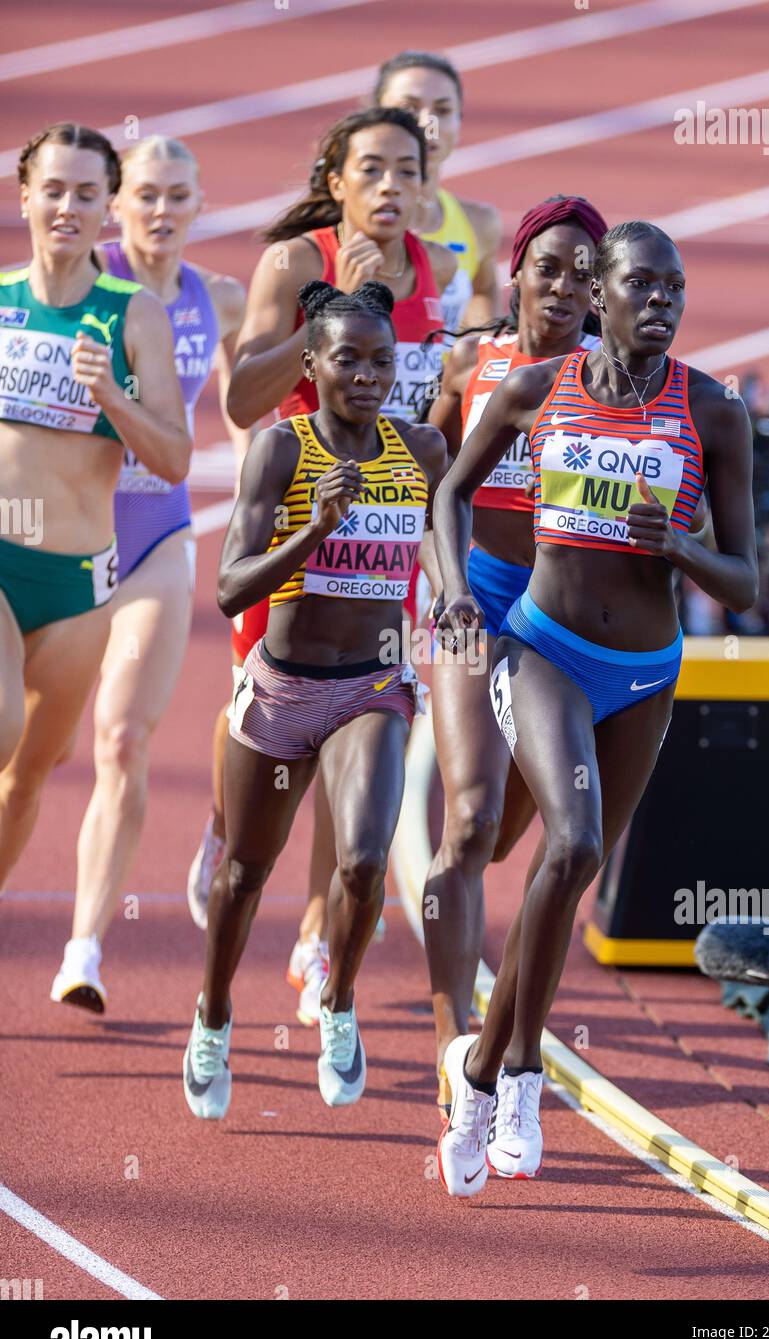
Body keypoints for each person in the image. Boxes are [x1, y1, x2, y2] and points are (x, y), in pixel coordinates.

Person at [433, 221, 758, 1196]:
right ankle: (524, 1070)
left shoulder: (711, 410)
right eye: (641, 285)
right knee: (566, 844)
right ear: (601, 296)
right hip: (539, 647)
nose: (659, 302)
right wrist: (453, 594)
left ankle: (481, 1065)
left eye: (675, 288)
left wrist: (682, 550)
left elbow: (743, 581)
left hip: (645, 671)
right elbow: (448, 489)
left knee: (572, 874)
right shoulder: (540, 389)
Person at [186, 107, 453, 1027]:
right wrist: (327, 310)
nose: (389, 187)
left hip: (380, 536)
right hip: (298, 532)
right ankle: (231, 833)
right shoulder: (296, 262)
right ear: (335, 181)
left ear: (426, 182)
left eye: (405, 171)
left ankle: (313, 928)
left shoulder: (443, 272)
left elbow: (439, 406)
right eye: (369, 170)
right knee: (276, 739)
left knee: (359, 739)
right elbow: (241, 397)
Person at [48, 135, 250, 1011]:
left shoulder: (224, 298)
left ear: (201, 203)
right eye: (145, 196)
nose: (161, 211)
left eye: (178, 195)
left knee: (122, 741)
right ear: (115, 206)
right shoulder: (78, 291)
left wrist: (257, 480)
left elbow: (246, 404)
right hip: (60, 538)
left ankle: (83, 949)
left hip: (156, 539)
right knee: (33, 748)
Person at [422, 195, 607, 1117]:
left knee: (510, 840)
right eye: (551, 266)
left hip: (561, 618)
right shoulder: (472, 361)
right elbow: (435, 486)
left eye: (587, 272)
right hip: (483, 596)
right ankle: (459, 1039)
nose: (567, 284)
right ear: (518, 271)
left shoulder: (619, 383)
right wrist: (449, 584)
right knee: (467, 824)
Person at [0, 124, 189, 943]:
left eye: (85, 193)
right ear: (25, 197)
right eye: (53, 189)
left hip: (78, 584)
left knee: (26, 776)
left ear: (107, 206)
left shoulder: (132, 313)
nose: (67, 207)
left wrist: (112, 394)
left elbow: (175, 458)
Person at [372, 50, 501, 334]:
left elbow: (484, 293)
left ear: (459, 121)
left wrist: (473, 362)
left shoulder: (479, 224)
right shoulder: (339, 228)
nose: (428, 123)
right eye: (409, 108)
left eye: (442, 111)